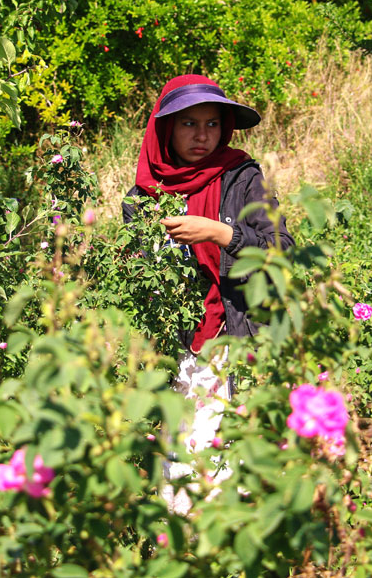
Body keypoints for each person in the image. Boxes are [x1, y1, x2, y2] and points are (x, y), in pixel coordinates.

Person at [121, 74, 294, 515]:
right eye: (188, 124)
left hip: (234, 337)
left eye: (212, 124)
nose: (202, 136)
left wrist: (222, 233)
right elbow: (132, 280)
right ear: (165, 129)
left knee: (233, 473)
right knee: (179, 474)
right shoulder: (142, 197)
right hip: (170, 350)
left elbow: (284, 253)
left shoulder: (242, 177)